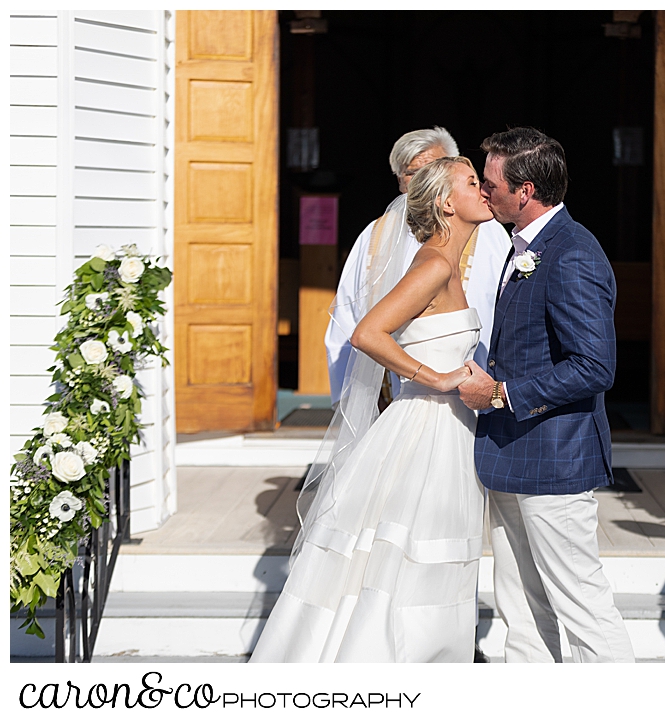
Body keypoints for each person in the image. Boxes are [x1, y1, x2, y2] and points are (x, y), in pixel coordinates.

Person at [250, 157, 495, 662]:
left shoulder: (451, 264)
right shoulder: (434, 264)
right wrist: (438, 378)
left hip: (451, 434)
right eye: (473, 183)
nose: (486, 190)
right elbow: (366, 333)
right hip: (423, 432)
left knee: (432, 555)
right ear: (448, 203)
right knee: (409, 554)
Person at [458, 128, 635, 663]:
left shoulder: (573, 253)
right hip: (510, 454)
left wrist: (502, 392)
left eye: (490, 184)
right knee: (521, 606)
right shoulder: (522, 245)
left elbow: (594, 366)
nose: (483, 192)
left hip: (556, 459)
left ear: (525, 190)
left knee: (582, 606)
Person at [326, 127, 509, 404]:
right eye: (412, 173)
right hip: (404, 397)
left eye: (433, 168)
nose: (423, 179)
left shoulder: (489, 230)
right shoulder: (375, 236)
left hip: (478, 392)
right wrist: (351, 398)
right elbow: (349, 323)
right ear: (400, 181)